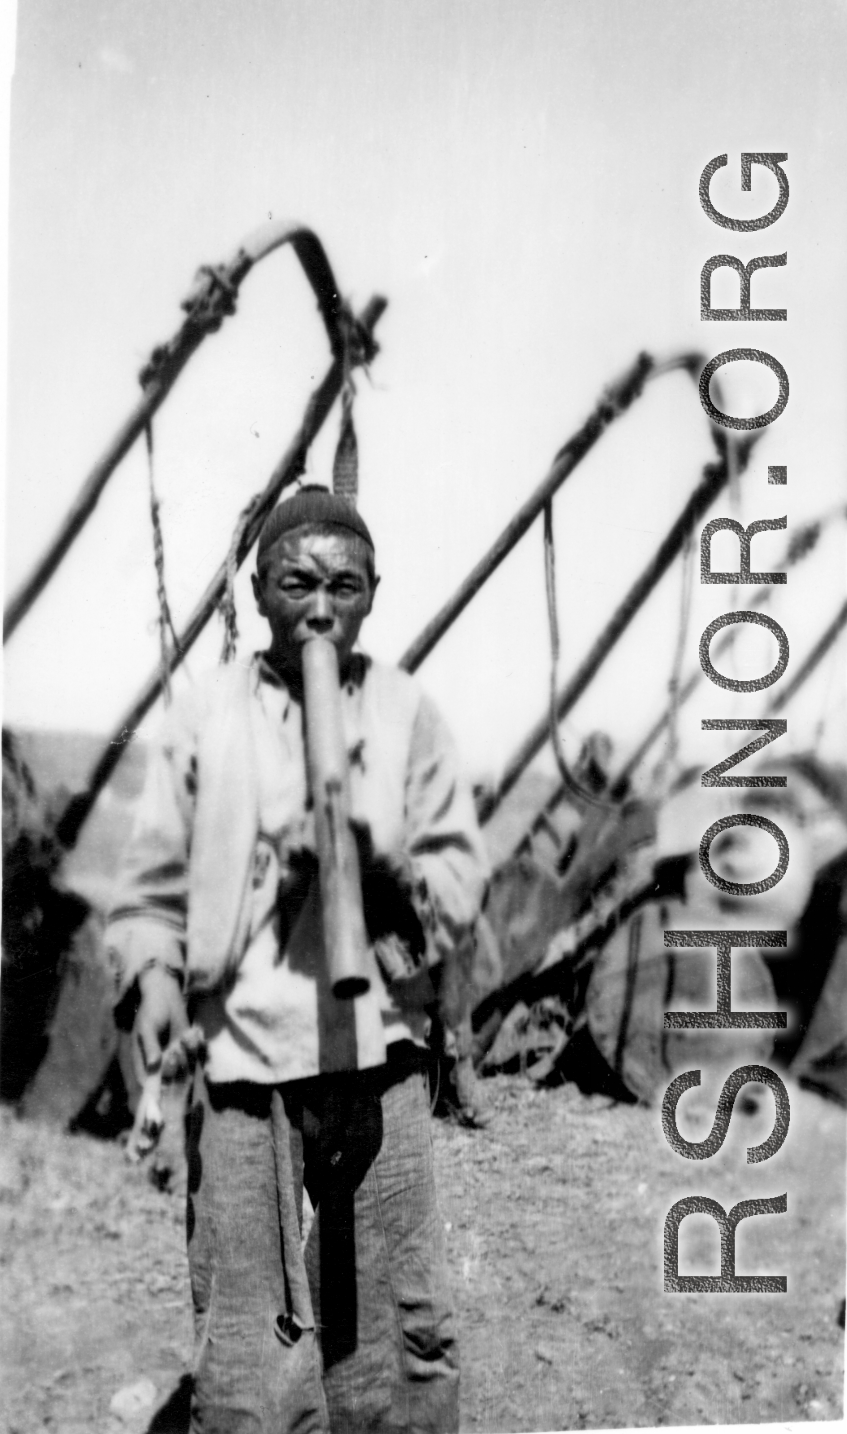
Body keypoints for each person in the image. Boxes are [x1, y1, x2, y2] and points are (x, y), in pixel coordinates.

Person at [105, 484, 489, 1434]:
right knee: (248, 1352)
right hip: (243, 1068)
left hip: (380, 1059)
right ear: (258, 591)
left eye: (344, 587)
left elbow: (458, 880)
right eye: (296, 584)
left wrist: (380, 864)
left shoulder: (407, 713)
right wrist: (153, 975)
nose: (321, 608)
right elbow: (149, 887)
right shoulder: (206, 714)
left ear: (373, 594)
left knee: (396, 1345)